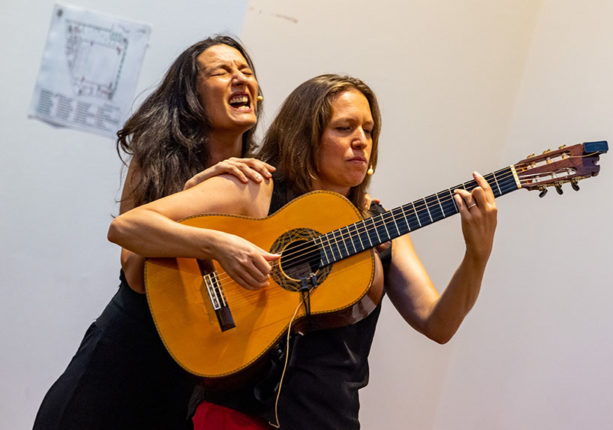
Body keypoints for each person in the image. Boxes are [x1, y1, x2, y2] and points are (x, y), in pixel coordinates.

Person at [106, 74, 498, 429]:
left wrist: (476, 256)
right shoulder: (255, 190)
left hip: (328, 419)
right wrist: (220, 245)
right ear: (305, 135)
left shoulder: (382, 227)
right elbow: (128, 227)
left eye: (368, 130)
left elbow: (438, 324)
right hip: (236, 414)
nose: (361, 141)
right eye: (344, 128)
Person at [33, 35, 274, 430]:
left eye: (246, 71)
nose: (240, 78)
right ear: (193, 96)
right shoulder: (157, 158)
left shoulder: (256, 180)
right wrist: (205, 222)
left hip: (179, 390)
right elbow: (133, 269)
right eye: (222, 71)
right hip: (114, 369)